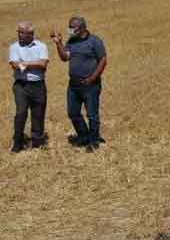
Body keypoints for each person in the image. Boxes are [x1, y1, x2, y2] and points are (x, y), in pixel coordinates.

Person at [50, 16, 107, 152]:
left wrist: (92, 78)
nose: (69, 30)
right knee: (73, 113)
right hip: (74, 85)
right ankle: (84, 136)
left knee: (92, 114)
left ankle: (93, 141)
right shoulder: (72, 41)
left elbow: (103, 60)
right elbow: (65, 57)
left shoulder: (95, 41)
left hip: (90, 85)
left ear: (81, 28)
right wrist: (58, 43)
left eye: (71, 27)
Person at [8, 22, 49, 153]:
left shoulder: (41, 46)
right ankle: (18, 141)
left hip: (38, 85)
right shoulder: (14, 47)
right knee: (21, 113)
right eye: (18, 32)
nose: (19, 35)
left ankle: (37, 141)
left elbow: (43, 65)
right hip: (21, 85)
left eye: (22, 33)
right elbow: (15, 65)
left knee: (38, 113)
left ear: (31, 34)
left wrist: (25, 63)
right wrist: (34, 63)